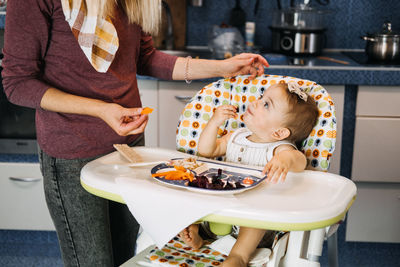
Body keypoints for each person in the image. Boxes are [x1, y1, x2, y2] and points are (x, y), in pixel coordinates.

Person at [1, 0, 269, 266]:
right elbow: (18, 83)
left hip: (128, 151)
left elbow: (145, 58)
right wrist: (102, 110)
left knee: (126, 257)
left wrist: (222, 67)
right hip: (72, 153)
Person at [179, 82, 319, 267]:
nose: (255, 102)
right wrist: (214, 122)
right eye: (261, 97)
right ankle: (199, 235)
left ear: (279, 132)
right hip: (222, 205)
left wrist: (285, 160)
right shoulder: (236, 136)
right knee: (196, 196)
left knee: (258, 220)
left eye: (266, 104)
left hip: (253, 217)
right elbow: (206, 150)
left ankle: (238, 256)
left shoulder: (279, 149)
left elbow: (299, 160)